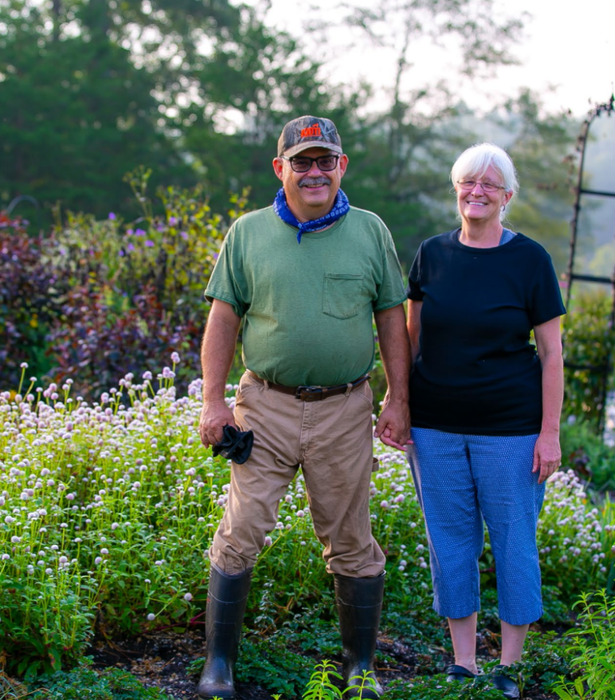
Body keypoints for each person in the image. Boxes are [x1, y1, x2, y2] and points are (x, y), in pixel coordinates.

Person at [196, 115, 411, 700]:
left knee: (351, 538)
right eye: (302, 161)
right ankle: (219, 665)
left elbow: (392, 317)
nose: (314, 172)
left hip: (345, 409)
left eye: (325, 161)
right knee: (241, 529)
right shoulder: (247, 233)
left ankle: (359, 667)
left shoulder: (370, 232)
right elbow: (223, 319)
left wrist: (398, 398)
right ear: (280, 168)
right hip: (264, 406)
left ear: (341, 166)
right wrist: (214, 401)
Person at [405, 143, 565, 699]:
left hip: (512, 430)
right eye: (468, 182)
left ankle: (510, 669)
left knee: (514, 541)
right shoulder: (430, 255)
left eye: (489, 185)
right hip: (434, 427)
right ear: (457, 189)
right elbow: (411, 340)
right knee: (449, 541)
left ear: (507, 197)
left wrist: (550, 433)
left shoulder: (530, 261)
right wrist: (395, 403)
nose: (477, 192)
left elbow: (551, 353)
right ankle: (464, 662)